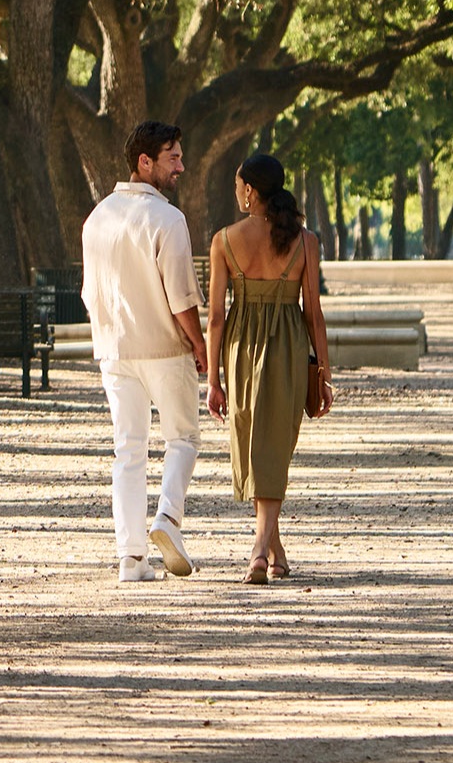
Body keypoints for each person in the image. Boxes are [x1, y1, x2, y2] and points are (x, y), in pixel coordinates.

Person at [82, 120, 206, 578]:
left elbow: (88, 292)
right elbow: (182, 297)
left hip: (114, 350)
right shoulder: (168, 219)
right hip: (164, 347)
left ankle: (131, 556)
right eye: (173, 157)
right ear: (145, 162)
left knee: (128, 450)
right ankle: (168, 519)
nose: (182, 166)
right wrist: (200, 344)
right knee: (184, 438)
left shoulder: (97, 218)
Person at [206, 150, 333, 582]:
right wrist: (324, 373)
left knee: (253, 442)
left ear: (250, 191)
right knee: (273, 445)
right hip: (289, 348)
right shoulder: (306, 241)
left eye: (239, 185)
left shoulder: (224, 240)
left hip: (240, 347)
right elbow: (313, 312)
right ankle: (271, 550)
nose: (236, 192)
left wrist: (212, 380)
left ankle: (259, 548)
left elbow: (216, 317)